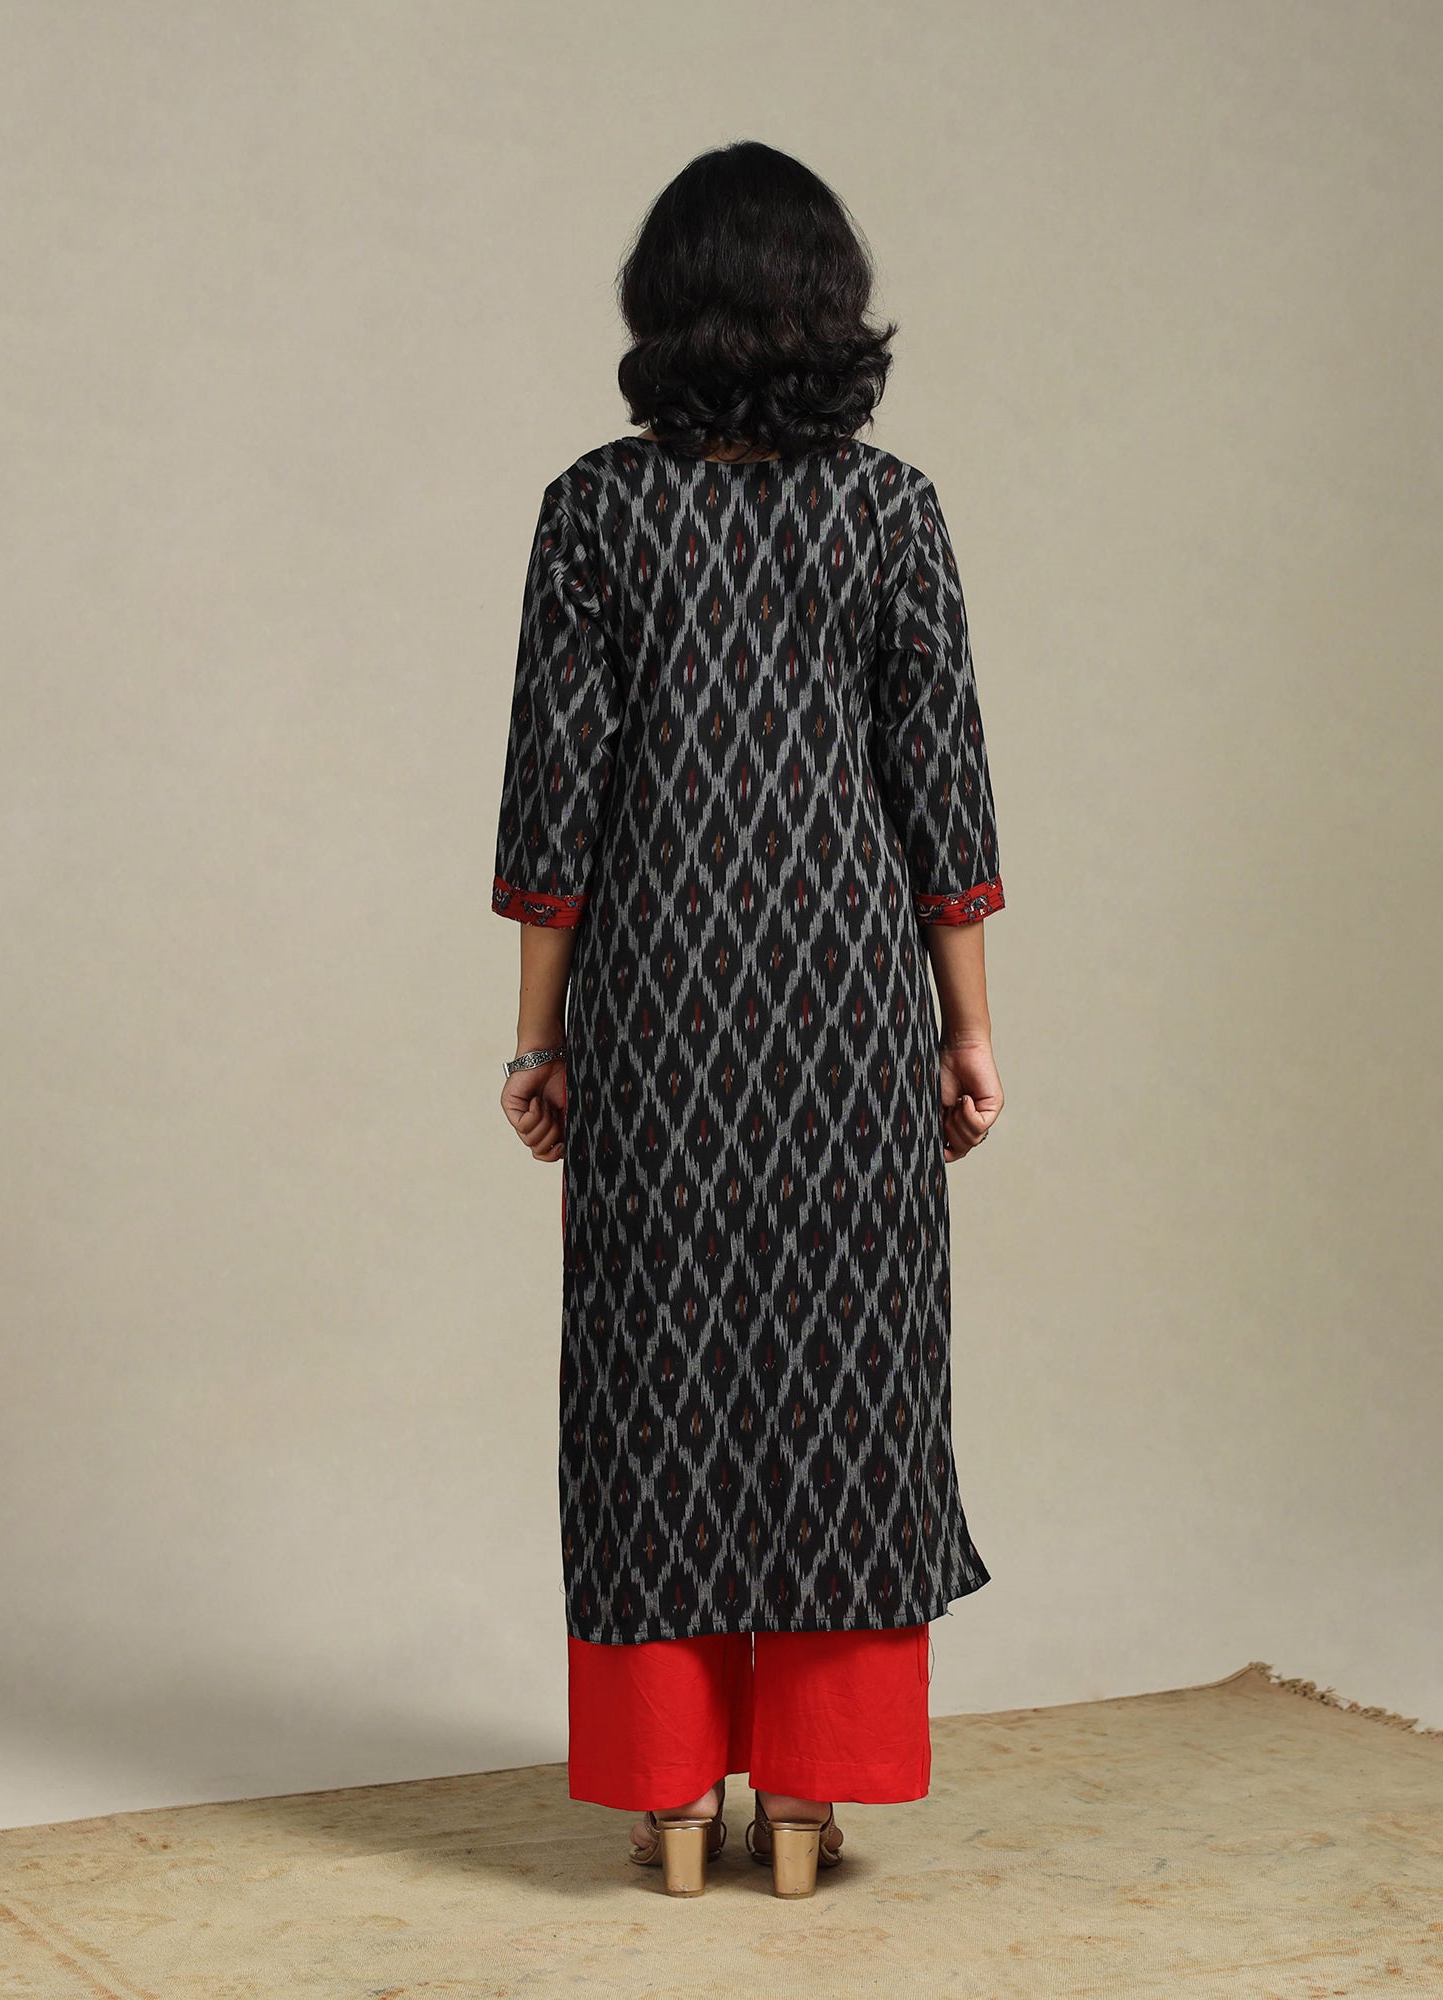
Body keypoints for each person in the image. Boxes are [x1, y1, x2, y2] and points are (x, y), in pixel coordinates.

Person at [489, 139, 1007, 1900]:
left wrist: (539, 1040)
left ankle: (666, 1800)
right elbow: (941, 790)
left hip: (659, 997)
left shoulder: (594, 510)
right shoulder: (892, 512)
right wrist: (969, 1029)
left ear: (664, 307)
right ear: (830, 310)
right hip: (849, 1000)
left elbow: (556, 806)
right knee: (850, 1378)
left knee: (657, 1380)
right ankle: (808, 1797)